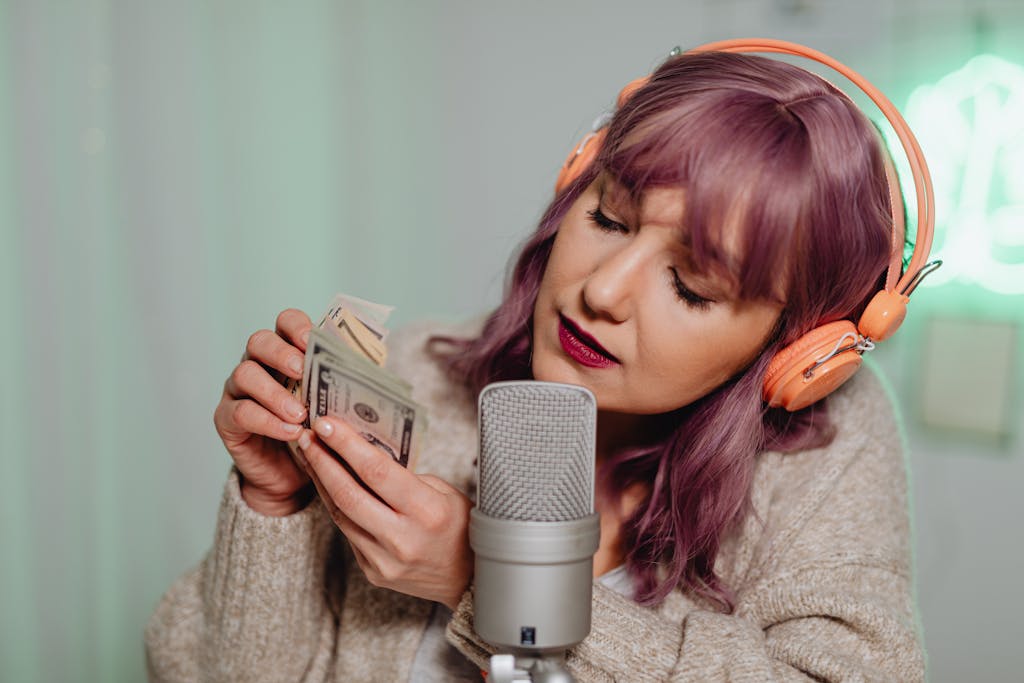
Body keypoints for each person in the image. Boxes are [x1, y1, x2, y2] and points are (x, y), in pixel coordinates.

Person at [145, 43, 928, 682]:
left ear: (796, 352)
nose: (602, 290)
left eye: (690, 286)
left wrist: (485, 580)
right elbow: (199, 667)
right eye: (607, 217)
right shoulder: (420, 370)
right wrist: (272, 503)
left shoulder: (828, 453)